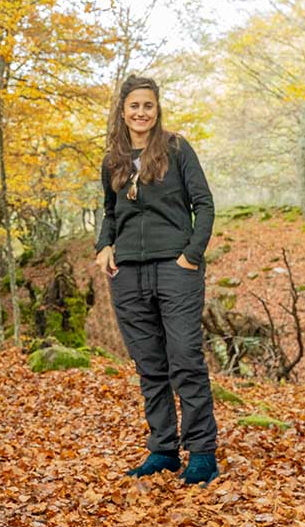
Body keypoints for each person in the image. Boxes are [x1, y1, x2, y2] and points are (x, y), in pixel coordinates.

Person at [94, 74, 219, 487]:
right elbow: (110, 212)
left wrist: (190, 256)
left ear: (157, 108)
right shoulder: (113, 159)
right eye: (134, 106)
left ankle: (202, 453)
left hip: (175, 269)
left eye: (148, 105)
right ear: (123, 111)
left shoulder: (176, 148)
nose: (141, 112)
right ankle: (163, 449)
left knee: (185, 358)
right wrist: (104, 245)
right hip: (128, 272)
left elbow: (204, 204)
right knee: (150, 365)